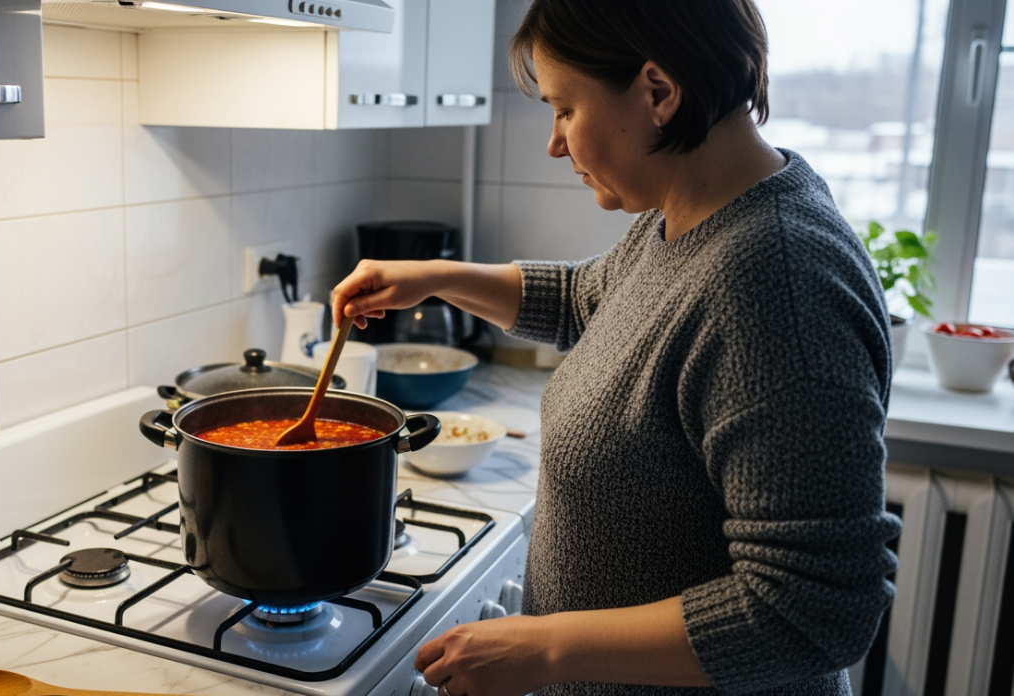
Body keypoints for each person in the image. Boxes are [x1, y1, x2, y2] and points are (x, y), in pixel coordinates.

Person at [330, 1, 901, 695]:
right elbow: (590, 302)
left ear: (658, 92)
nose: (554, 142)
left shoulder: (775, 279)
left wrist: (547, 649)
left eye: (565, 109)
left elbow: (812, 611)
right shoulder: (690, 219)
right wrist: (436, 280)